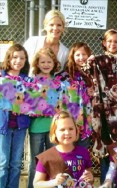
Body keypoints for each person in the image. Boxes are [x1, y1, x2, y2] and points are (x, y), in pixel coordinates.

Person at [87, 29, 117, 183]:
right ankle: (106, 183)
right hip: (103, 110)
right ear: (104, 43)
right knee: (105, 147)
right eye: (109, 41)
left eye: (116, 41)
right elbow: (85, 71)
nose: (113, 44)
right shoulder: (96, 60)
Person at [27, 47, 60, 188]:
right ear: (37, 64)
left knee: (53, 162)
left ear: (54, 64)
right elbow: (26, 104)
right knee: (36, 162)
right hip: (36, 128)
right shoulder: (31, 82)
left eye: (49, 62)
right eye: (43, 62)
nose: (46, 65)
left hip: (53, 128)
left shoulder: (59, 83)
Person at [33, 110, 94, 187]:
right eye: (62, 129)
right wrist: (54, 182)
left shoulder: (84, 152)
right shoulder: (45, 157)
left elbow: (90, 180)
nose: (67, 133)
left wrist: (90, 178)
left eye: (71, 129)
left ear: (76, 130)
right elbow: (36, 184)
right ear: (54, 132)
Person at [0, 44, 31, 188]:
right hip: (3, 126)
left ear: (26, 61)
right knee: (3, 162)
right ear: (8, 58)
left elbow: (34, 102)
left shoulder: (28, 81)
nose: (18, 61)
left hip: (20, 126)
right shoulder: (1, 77)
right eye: (15, 57)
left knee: (16, 163)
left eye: (22, 58)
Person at [57, 42, 93, 148]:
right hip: (69, 119)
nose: (81, 57)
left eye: (84, 54)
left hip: (86, 119)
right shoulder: (64, 76)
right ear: (72, 56)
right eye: (77, 55)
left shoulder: (92, 74)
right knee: (67, 150)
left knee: (82, 151)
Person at [23, 9, 69, 76]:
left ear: (63, 28)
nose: (55, 28)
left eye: (59, 25)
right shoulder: (32, 42)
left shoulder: (65, 52)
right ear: (45, 26)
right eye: (51, 24)